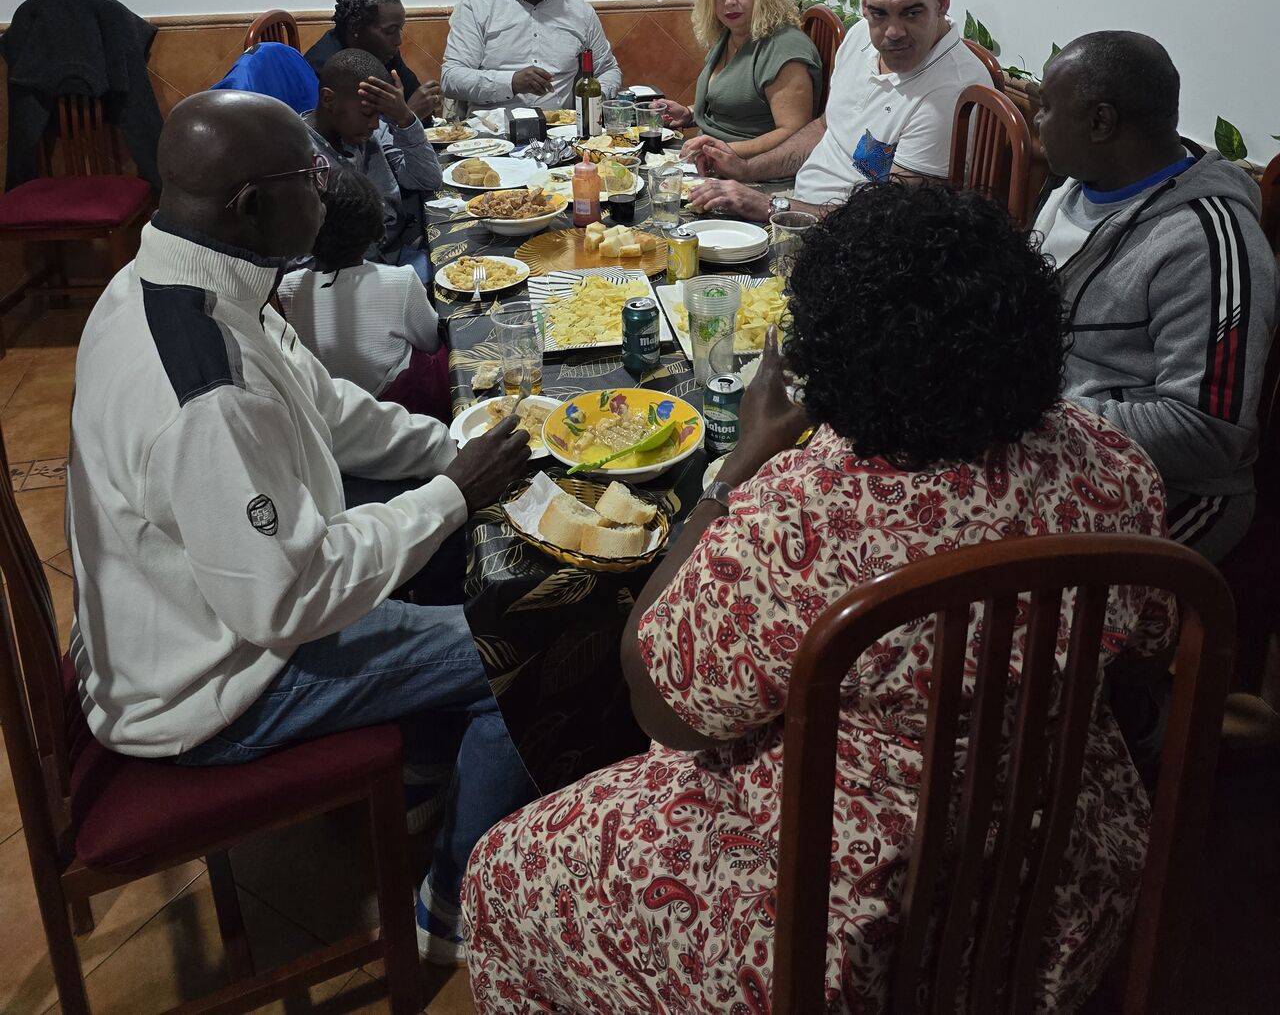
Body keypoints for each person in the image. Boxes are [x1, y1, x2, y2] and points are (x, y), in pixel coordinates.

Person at [463, 183, 1172, 1013]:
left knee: (500, 870)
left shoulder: (806, 509)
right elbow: (1148, 639)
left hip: (856, 920)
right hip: (1064, 869)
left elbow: (662, 705)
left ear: (831, 356)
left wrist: (734, 472)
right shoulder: (1115, 465)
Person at [64, 90, 534, 965]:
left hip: (202, 602)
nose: (331, 185)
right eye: (312, 174)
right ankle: (456, 899)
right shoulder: (208, 391)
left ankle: (425, 761)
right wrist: (451, 497)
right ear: (251, 204)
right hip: (212, 684)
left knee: (441, 553)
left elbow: (332, 412)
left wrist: (453, 449)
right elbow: (293, 596)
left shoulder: (178, 275)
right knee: (530, 641)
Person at [1034, 31, 1277, 562]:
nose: (1036, 120)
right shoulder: (1073, 189)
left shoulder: (1205, 241)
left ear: (1101, 123)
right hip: (1052, 441)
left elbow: (1210, 433)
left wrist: (1034, 413)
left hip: (1177, 491)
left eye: (1047, 108)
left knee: (990, 592)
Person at [686, 0, 986, 222]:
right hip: (797, 207)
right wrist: (746, 170)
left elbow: (893, 220)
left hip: (855, 241)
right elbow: (823, 127)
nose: (893, 32)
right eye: (879, 13)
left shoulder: (952, 92)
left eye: (911, 13)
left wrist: (769, 206)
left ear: (942, 1)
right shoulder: (859, 37)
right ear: (865, 4)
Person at [277, 167, 449, 420]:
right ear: (376, 227)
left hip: (332, 416)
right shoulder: (400, 280)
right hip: (403, 412)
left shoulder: (284, 290)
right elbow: (431, 342)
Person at [654, 0, 822, 161]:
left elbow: (793, 134)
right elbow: (737, 105)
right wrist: (688, 114)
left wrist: (722, 151)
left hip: (756, 172)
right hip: (712, 163)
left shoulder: (785, 47)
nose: (729, 2)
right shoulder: (731, 33)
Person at [442, 0, 622, 112]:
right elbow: (451, 78)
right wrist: (510, 82)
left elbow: (608, 71)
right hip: (492, 132)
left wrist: (593, 100)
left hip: (561, 130)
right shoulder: (477, 7)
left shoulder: (581, 12)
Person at [304, 48, 442, 282]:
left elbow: (428, 178)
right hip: (350, 277)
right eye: (368, 113)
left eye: (380, 115)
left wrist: (405, 117)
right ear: (329, 100)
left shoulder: (368, 133)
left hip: (398, 251)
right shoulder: (302, 158)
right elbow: (305, 260)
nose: (375, 124)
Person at [305, 0, 440, 123]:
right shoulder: (324, 69)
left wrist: (422, 106)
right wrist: (408, 115)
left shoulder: (382, 52)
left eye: (400, 29)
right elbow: (353, 137)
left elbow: (415, 98)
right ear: (355, 27)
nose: (398, 41)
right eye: (390, 31)